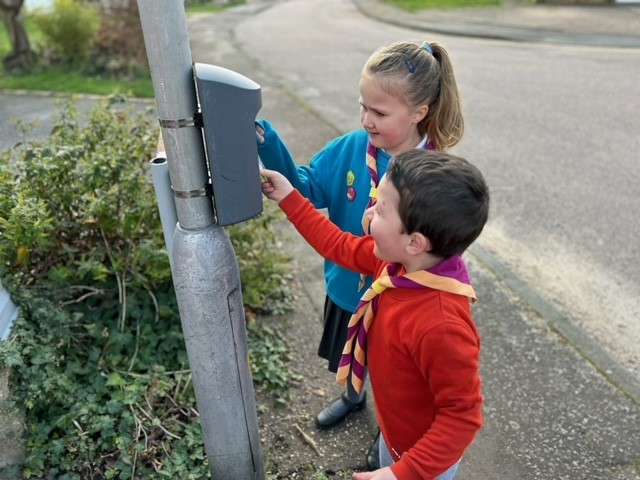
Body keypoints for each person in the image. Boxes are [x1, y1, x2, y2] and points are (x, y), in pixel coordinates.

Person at [256, 39, 464, 468]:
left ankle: (387, 434)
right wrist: (267, 143)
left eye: (380, 113)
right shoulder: (352, 147)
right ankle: (352, 397)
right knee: (348, 354)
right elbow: (307, 186)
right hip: (347, 284)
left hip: (397, 301)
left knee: (391, 375)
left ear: (420, 112)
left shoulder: (431, 175)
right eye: (363, 107)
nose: (366, 119)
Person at [260, 149, 489, 479]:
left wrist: (401, 472)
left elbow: (462, 415)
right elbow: (338, 245)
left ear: (415, 242)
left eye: (380, 210)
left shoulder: (442, 326)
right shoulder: (398, 264)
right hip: (393, 431)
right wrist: (290, 197)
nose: (368, 214)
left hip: (424, 459)